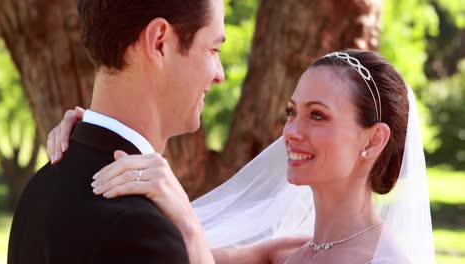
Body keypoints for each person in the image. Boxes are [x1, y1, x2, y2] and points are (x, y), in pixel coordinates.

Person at [47, 49, 435, 263]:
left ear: (374, 139)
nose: (291, 132)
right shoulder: (282, 253)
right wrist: (92, 130)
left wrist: (183, 210)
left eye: (317, 115)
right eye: (291, 112)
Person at [8, 0, 225, 263]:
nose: (219, 74)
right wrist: (192, 233)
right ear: (159, 42)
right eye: (213, 49)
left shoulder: (40, 188)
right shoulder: (142, 230)